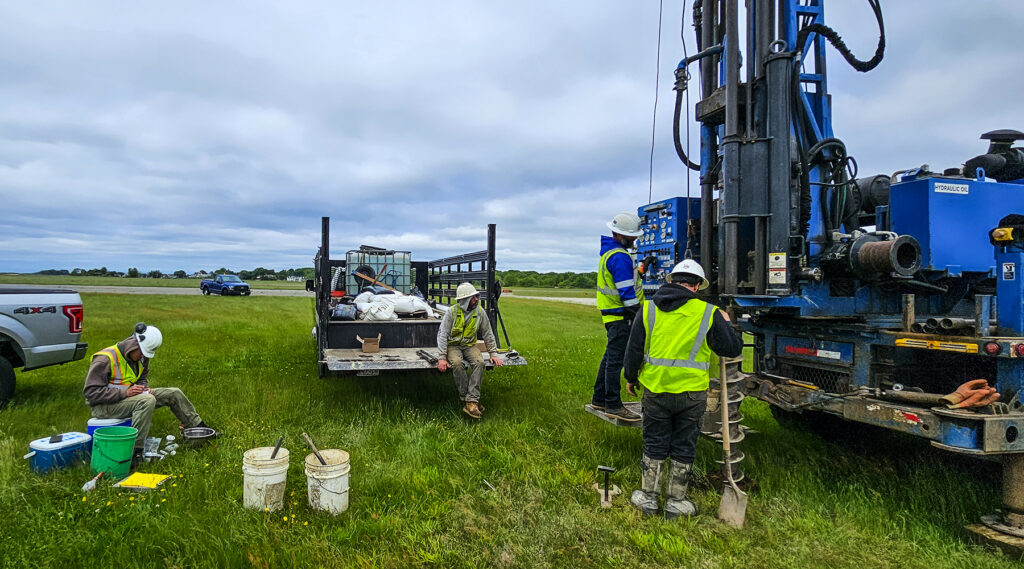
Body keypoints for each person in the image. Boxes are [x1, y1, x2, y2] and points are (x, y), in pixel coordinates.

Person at [623, 259, 743, 518]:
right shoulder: (708, 313)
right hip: (691, 394)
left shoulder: (647, 310)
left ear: (672, 280)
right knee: (684, 445)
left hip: (656, 390)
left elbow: (634, 350)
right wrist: (727, 322)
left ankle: (648, 499)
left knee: (654, 441)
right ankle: (677, 503)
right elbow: (731, 349)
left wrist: (631, 378)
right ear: (697, 286)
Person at [83, 323, 216, 461]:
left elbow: (141, 378)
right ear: (133, 344)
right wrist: (125, 394)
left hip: (129, 399)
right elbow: (90, 392)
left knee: (173, 393)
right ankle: (135, 452)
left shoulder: (141, 357)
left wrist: (143, 388)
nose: (143, 357)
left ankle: (198, 429)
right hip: (104, 407)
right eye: (141, 352)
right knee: (147, 400)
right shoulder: (105, 359)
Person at [593, 212, 648, 422]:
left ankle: (599, 398)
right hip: (621, 315)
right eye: (633, 237)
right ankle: (613, 405)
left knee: (609, 357)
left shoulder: (610, 253)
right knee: (616, 360)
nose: (635, 241)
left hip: (612, 315)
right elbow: (626, 292)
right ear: (623, 236)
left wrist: (640, 271)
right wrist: (639, 316)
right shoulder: (619, 257)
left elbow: (623, 281)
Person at [437, 283, 503, 419]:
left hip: (469, 345)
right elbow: (442, 334)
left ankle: (472, 400)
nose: (477, 299)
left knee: (479, 363)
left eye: (477, 296)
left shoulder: (480, 312)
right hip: (453, 346)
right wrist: (442, 357)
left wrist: (493, 354)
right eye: (473, 297)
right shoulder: (452, 312)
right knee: (456, 363)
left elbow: (488, 333)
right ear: (465, 299)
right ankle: (466, 398)